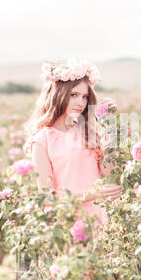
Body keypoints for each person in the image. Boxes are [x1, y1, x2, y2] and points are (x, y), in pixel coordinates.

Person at [24, 59, 123, 226]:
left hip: (96, 219)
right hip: (65, 223)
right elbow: (47, 197)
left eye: (85, 97)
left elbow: (108, 171)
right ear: (58, 95)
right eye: (74, 95)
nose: (81, 102)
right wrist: (93, 193)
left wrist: (110, 127)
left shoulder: (89, 131)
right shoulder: (43, 139)